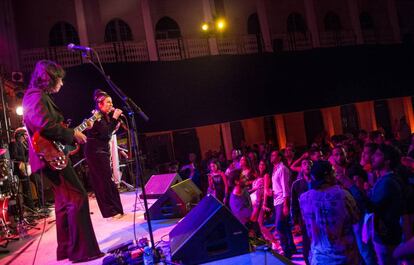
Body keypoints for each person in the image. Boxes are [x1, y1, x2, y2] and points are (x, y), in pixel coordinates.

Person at [23, 60, 102, 262]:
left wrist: (68, 135)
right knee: (78, 196)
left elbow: (48, 126)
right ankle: (83, 252)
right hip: (48, 157)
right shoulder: (35, 97)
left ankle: (67, 249)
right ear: (49, 78)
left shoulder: (38, 97)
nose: (62, 83)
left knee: (64, 202)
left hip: (51, 155)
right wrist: (72, 135)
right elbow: (46, 125)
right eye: (59, 79)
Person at [299, 160, 360, 265]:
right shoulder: (343, 195)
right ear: (327, 176)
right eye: (333, 172)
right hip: (344, 257)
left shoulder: (304, 198)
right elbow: (357, 220)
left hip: (318, 258)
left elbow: (307, 224)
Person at [84, 89, 124, 219]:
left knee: (108, 180)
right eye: (108, 102)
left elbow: (107, 133)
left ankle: (116, 209)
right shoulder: (97, 116)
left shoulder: (105, 117)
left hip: (102, 151)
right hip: (95, 152)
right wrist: (114, 118)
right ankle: (111, 211)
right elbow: (105, 133)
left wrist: (115, 121)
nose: (111, 105)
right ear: (100, 105)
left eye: (111, 102)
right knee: (104, 181)